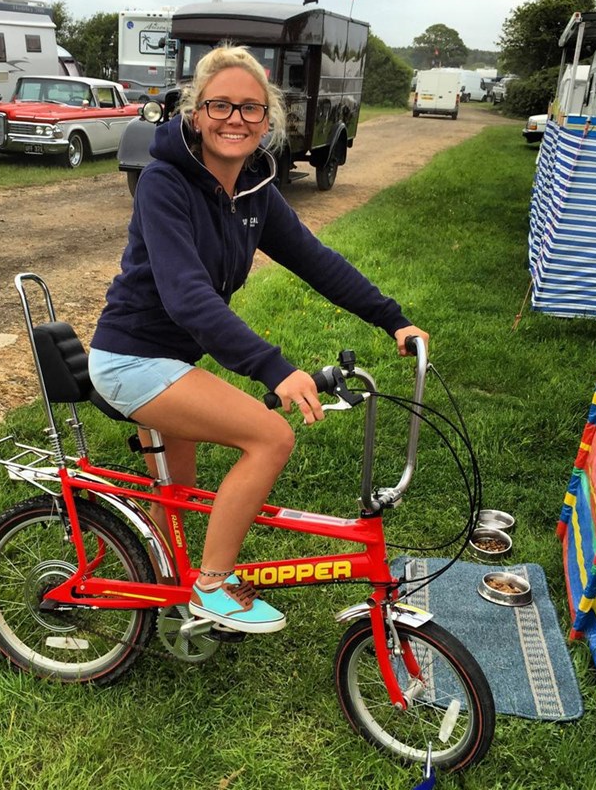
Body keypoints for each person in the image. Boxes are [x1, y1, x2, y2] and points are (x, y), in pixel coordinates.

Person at [89, 44, 429, 635]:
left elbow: (316, 261)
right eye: (219, 105)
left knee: (177, 494)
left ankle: (155, 592)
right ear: (196, 113)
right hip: (130, 360)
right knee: (270, 437)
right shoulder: (164, 183)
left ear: (266, 119)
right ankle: (212, 586)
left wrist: (392, 318)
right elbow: (187, 296)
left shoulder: (252, 188)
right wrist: (274, 368)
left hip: (172, 360)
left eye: (251, 108)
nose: (235, 119)